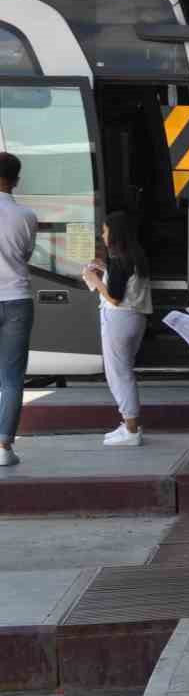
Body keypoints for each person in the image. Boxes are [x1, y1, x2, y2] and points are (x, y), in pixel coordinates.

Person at [80, 211, 151, 447]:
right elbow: (125, 283)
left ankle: (131, 429)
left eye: (105, 230)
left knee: (119, 375)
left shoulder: (120, 259)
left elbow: (115, 297)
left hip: (118, 319)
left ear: (115, 232)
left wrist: (95, 279)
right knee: (124, 371)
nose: (103, 234)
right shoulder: (136, 255)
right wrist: (105, 268)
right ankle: (129, 424)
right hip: (137, 318)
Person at [0, 152, 36, 468]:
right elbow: (24, 255)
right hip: (17, 299)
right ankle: (4, 447)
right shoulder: (27, 215)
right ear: (16, 180)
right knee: (12, 378)